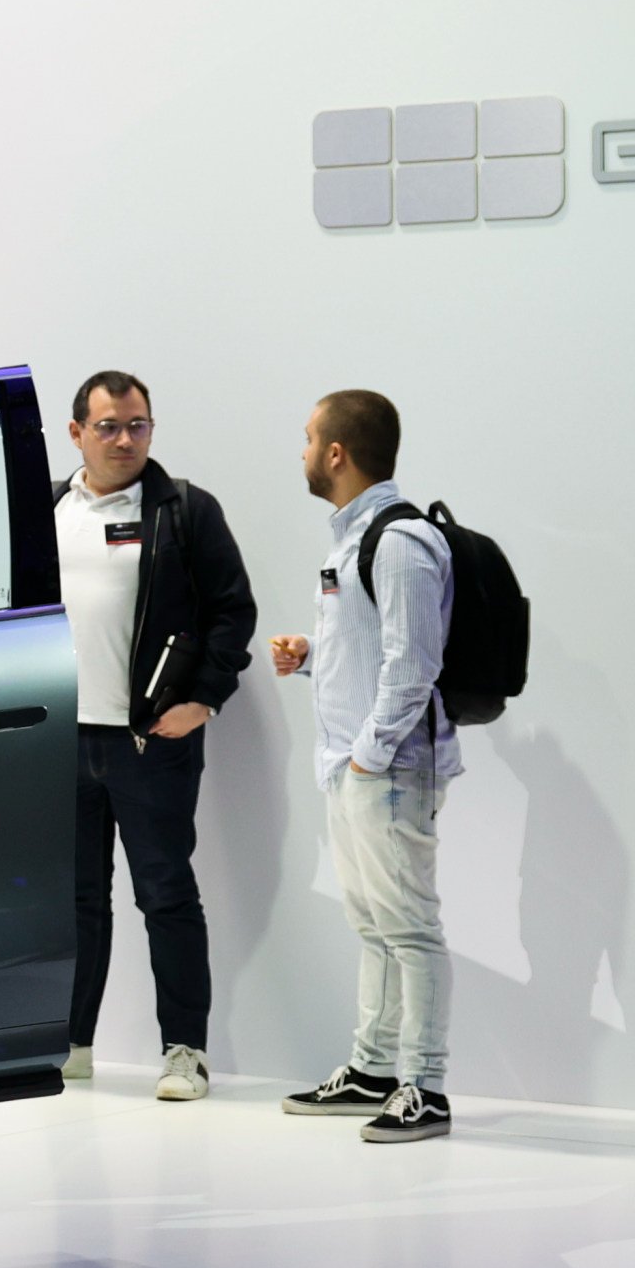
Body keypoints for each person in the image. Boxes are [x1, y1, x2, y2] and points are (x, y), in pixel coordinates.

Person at [55, 371, 257, 1103]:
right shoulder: (48, 507)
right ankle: (71, 1044)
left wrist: (201, 698)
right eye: (108, 425)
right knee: (76, 898)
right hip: (63, 739)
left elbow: (232, 612)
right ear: (76, 431)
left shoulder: (183, 510)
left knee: (165, 894)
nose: (124, 439)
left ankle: (184, 1051)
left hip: (149, 741)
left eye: (137, 424)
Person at [267, 389, 459, 1143]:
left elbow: (412, 666)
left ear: (337, 453)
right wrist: (311, 658)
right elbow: (371, 651)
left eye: (309, 437)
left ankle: (427, 1087)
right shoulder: (351, 539)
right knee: (376, 927)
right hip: (354, 766)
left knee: (409, 928)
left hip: (385, 769)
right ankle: (374, 1070)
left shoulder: (400, 540)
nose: (305, 450)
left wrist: (368, 758)